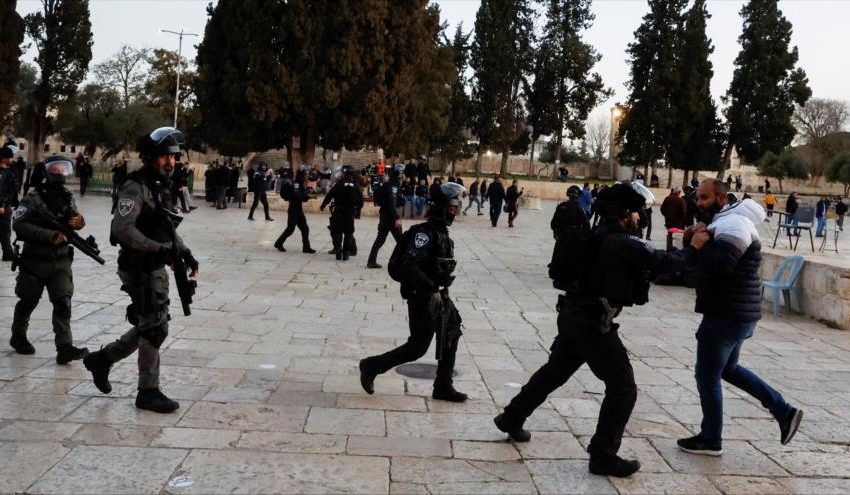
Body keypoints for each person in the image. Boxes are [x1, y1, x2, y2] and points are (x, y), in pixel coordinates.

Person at [494, 183, 709, 478]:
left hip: (572, 314)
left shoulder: (597, 235)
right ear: (624, 214)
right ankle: (603, 455)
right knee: (623, 387)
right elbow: (664, 263)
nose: (639, 217)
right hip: (593, 323)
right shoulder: (621, 242)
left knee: (554, 371)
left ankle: (512, 416)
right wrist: (694, 247)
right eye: (635, 212)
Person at [678, 179, 802, 456]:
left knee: (706, 376)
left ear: (722, 198)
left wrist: (699, 244)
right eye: (698, 198)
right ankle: (784, 411)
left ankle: (711, 439)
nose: (699, 204)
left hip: (726, 315)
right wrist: (698, 236)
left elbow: (722, 264)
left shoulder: (734, 224)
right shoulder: (726, 220)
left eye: (705, 198)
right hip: (737, 313)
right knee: (728, 370)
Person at [83, 126, 199, 414]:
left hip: (154, 265)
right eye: (164, 157)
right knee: (154, 326)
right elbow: (122, 229)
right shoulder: (135, 186)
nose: (170, 163)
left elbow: (166, 226)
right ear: (150, 157)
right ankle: (148, 391)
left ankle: (103, 359)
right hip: (138, 266)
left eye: (173, 157)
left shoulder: (159, 187)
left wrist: (184, 252)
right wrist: (157, 248)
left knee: (152, 324)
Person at [359, 182, 468, 403]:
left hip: (437, 295)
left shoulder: (440, 232)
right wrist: (428, 286)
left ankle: (443, 386)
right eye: (453, 206)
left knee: (452, 331)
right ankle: (371, 365)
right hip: (422, 297)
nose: (456, 211)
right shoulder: (425, 234)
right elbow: (408, 264)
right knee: (417, 347)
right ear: (444, 207)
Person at [8, 156, 90, 364]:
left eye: (63, 169)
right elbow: (18, 224)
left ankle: (64, 347)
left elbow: (74, 218)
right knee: (28, 301)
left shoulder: (67, 196)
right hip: (35, 262)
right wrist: (49, 236)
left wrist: (80, 222)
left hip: (61, 262)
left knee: (63, 303)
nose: (60, 173)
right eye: (56, 169)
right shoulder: (33, 197)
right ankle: (18, 336)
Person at [321, 165, 363, 260]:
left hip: (339, 212)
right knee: (348, 233)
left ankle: (338, 250)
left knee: (337, 232)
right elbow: (360, 201)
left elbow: (329, 195)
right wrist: (357, 212)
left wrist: (323, 206)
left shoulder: (339, 184)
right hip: (350, 213)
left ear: (343, 173)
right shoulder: (356, 185)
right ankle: (346, 253)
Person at [367, 166, 404, 269]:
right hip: (391, 216)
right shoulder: (393, 186)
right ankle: (400, 263)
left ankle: (371, 261)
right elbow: (392, 204)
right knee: (401, 241)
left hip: (384, 215)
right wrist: (397, 217)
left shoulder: (387, 185)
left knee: (380, 239)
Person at [274, 167, 315, 253]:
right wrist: (308, 196)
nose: (307, 176)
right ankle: (278, 243)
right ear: (301, 175)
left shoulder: (300, 183)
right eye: (305, 174)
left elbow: (302, 197)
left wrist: (308, 193)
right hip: (293, 209)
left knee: (305, 229)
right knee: (290, 229)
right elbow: (297, 196)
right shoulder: (296, 183)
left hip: (298, 209)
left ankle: (306, 247)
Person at [0, 145, 20, 261]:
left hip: (7, 206)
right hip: (3, 207)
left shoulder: (9, 171)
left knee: (5, 230)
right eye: (10, 158)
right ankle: (7, 253)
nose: (12, 160)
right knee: (4, 230)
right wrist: (1, 205)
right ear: (4, 158)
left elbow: (11, 189)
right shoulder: (2, 173)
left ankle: (8, 253)